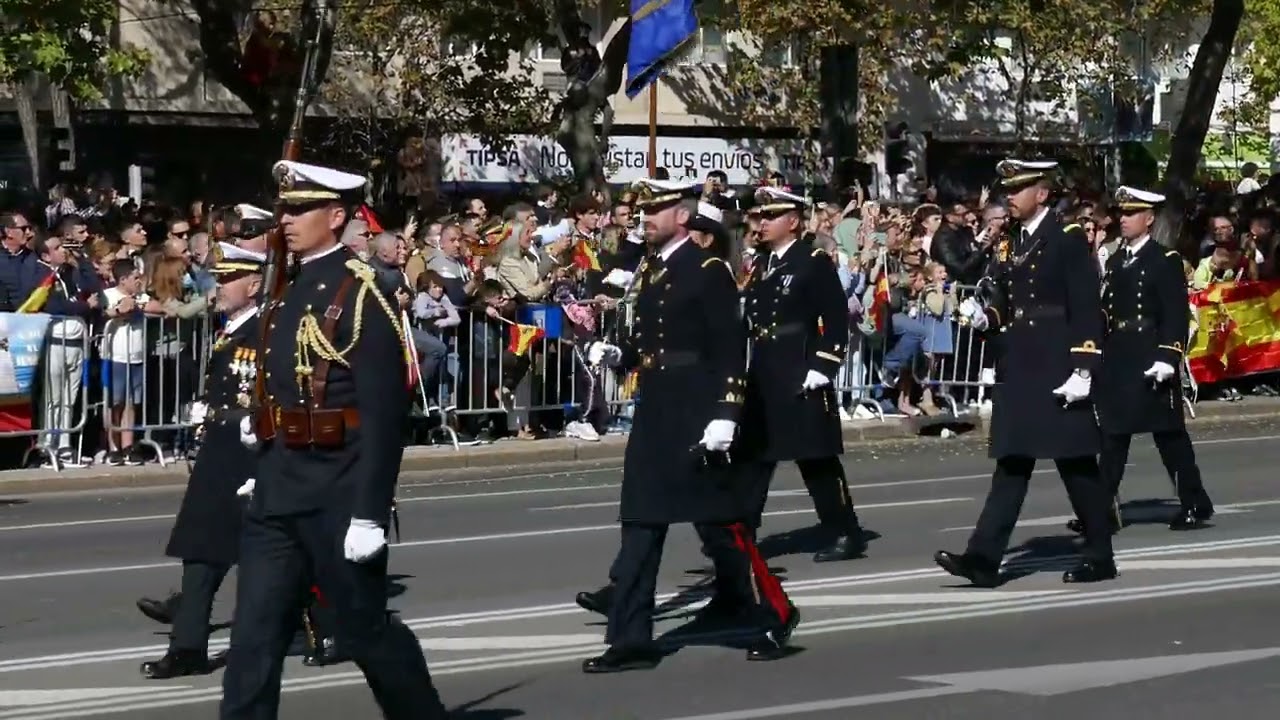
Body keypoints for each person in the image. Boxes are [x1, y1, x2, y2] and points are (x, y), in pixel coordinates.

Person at [219, 160, 447, 719]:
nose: (287, 219)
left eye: (300, 209)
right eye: (285, 208)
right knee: (253, 639)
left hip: (336, 490)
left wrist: (370, 511)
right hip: (278, 487)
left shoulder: (360, 292)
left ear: (337, 215)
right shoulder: (287, 285)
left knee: (363, 629)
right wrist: (262, 429)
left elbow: (383, 414)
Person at [577, 178, 798, 673]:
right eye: (641, 211)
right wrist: (620, 355)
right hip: (657, 406)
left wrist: (726, 413)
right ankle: (631, 640)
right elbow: (651, 340)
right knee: (640, 521)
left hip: (697, 410)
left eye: (654, 210)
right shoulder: (653, 268)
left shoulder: (707, 269)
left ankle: (774, 613)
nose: (644, 219)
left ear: (682, 215)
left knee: (724, 524)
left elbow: (729, 346)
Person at [941, 158, 1117, 587]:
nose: (1010, 199)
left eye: (1018, 190)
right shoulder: (1011, 241)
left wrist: (1084, 367)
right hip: (1019, 361)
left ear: (1041, 193)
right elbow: (1005, 292)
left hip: (1057, 360)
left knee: (1076, 465)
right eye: (1008, 191)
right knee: (1012, 463)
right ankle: (983, 558)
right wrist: (988, 317)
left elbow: (1085, 305)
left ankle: (1100, 554)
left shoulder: (1067, 237)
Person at [134, 243, 264, 679]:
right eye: (220, 277)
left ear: (255, 283)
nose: (220, 286)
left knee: (279, 555)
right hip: (220, 450)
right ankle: (188, 647)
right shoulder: (232, 327)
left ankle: (337, 628)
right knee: (201, 551)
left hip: (253, 455)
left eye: (229, 279)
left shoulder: (268, 329)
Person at [737, 185, 867, 563]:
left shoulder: (812, 261)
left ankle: (845, 531)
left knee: (817, 460)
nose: (761, 223)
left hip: (800, 369)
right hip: (764, 371)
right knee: (753, 460)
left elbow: (837, 317)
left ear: (792, 222)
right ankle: (741, 536)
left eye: (770, 216)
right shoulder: (762, 263)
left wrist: (825, 364)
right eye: (760, 216)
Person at [1076, 186, 1214, 532]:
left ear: (1148, 219)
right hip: (1119, 355)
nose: (1123, 219)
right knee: (1111, 435)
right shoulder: (1117, 259)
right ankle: (1102, 510)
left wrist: (1169, 356)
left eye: (1131, 213)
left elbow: (1175, 314)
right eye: (1121, 213)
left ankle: (1195, 503)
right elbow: (1109, 310)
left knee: (1169, 436)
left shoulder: (1163, 260)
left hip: (1152, 354)